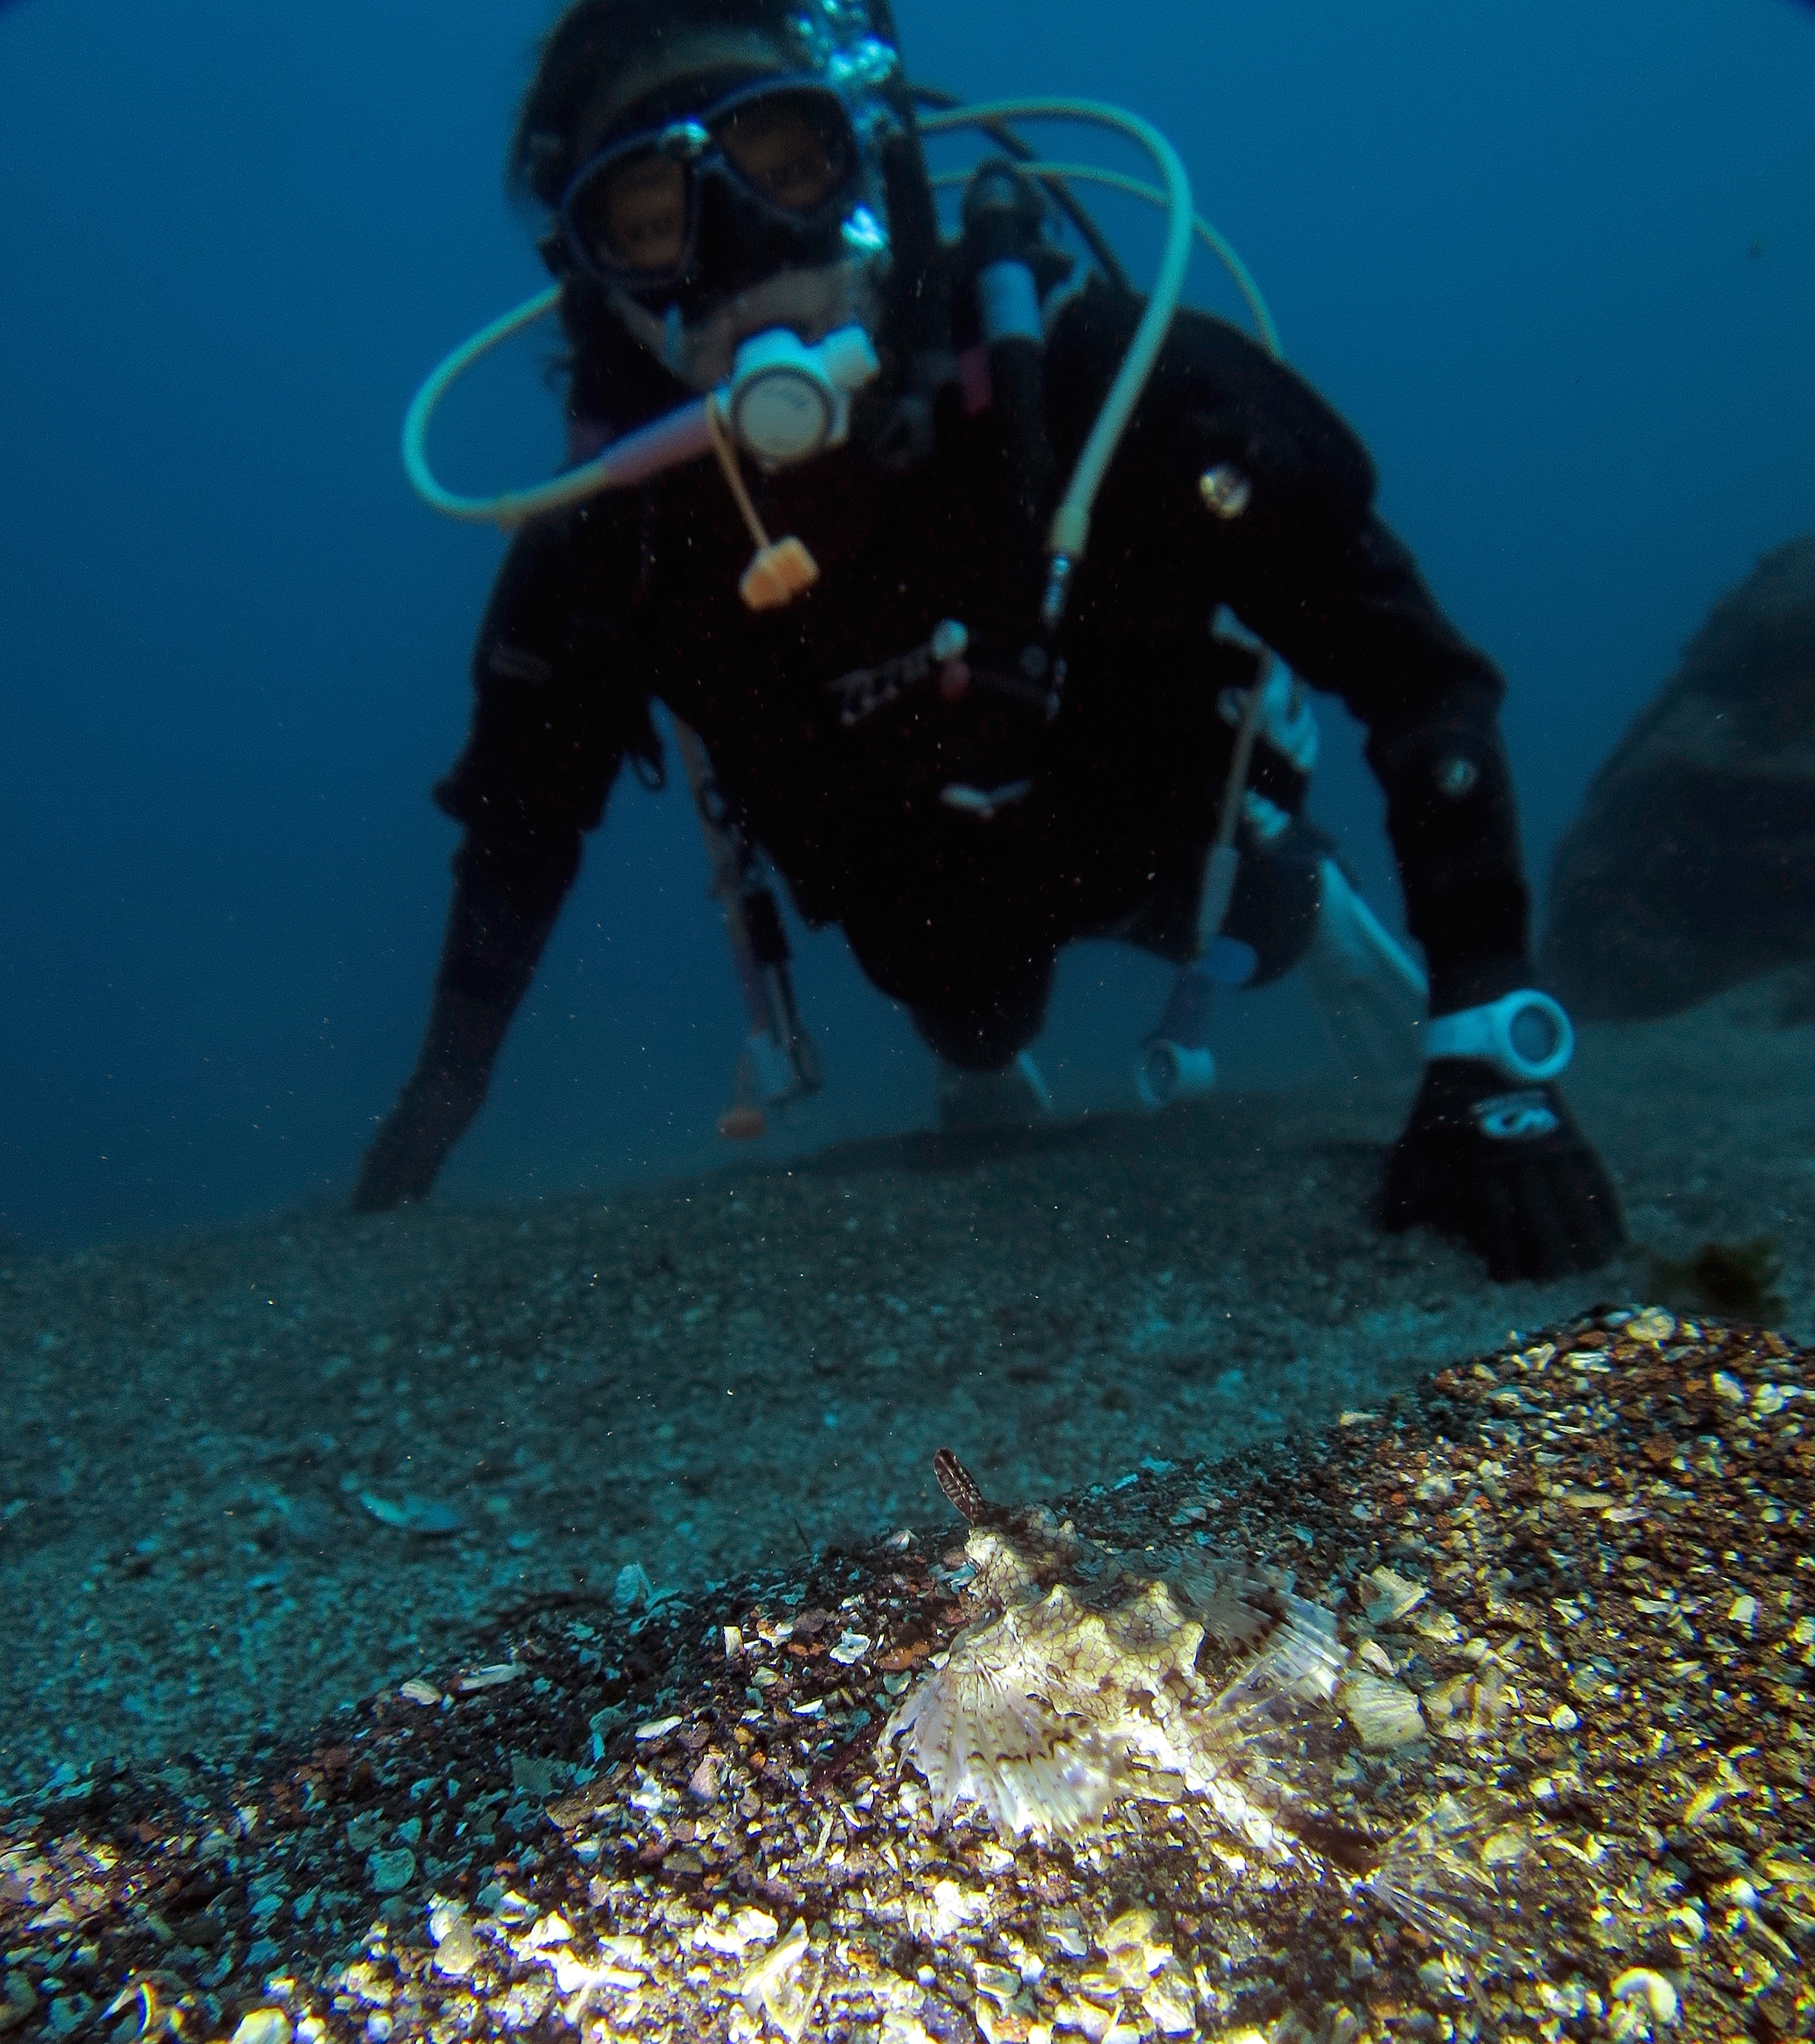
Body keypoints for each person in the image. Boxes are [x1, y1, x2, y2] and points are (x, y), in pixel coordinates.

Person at [352, 0, 1625, 1284]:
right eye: (653, 218)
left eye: (787, 166)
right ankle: (991, 1041)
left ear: (870, 163)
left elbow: (1418, 672)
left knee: (1258, 912)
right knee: (965, 1017)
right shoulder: (606, 558)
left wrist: (1485, 1041)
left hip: (1150, 810)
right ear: (598, 282)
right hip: (923, 905)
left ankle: (1308, 891)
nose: (745, 242)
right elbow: (519, 835)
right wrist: (429, 1112)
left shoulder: (1090, 380)